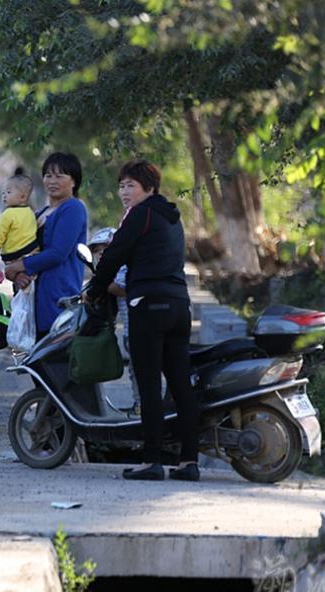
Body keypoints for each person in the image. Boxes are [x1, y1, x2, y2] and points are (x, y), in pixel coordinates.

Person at [86, 159, 200, 482]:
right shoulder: (172, 218)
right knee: (180, 384)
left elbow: (113, 255)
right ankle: (188, 461)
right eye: (121, 185)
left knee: (149, 385)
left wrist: (95, 289)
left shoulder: (140, 214)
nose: (124, 192)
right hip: (179, 306)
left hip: (148, 305)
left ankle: (152, 461)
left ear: (149, 188)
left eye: (130, 185)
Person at [5, 153, 88, 337]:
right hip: (35, 299)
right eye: (48, 175)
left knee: (55, 363)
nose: (52, 181)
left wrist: (20, 266)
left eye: (60, 176)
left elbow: (58, 253)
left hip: (59, 298)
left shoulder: (73, 208)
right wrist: (17, 275)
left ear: (74, 181)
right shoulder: (41, 212)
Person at [89, 226, 141, 417]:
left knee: (140, 371)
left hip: (139, 328)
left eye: (105, 247)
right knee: (135, 371)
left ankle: (142, 407)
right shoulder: (111, 268)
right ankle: (140, 405)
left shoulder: (122, 266)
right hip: (131, 329)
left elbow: (122, 288)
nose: (101, 252)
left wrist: (101, 283)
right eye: (97, 249)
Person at [0, 174, 38, 270]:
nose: (4, 195)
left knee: (16, 277)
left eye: (8, 192)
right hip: (32, 250)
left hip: (13, 255)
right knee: (29, 278)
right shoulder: (30, 212)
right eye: (3, 193)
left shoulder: (8, 214)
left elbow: (0, 234)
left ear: (22, 197)